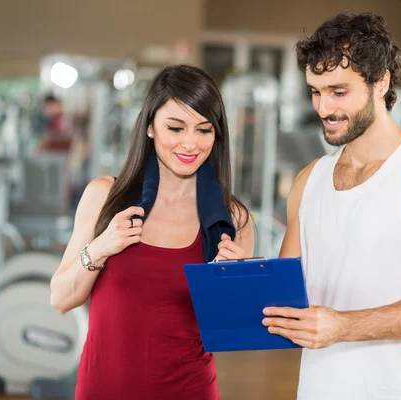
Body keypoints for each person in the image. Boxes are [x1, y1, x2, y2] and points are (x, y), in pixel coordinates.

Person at [229, 12, 401, 399]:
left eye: (338, 91)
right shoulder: (308, 180)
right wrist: (238, 273)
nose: (323, 107)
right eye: (315, 91)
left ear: (380, 82)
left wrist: (343, 327)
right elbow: (290, 301)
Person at [49, 64, 254, 400]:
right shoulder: (104, 197)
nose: (190, 143)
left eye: (204, 130)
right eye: (175, 127)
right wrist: (100, 247)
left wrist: (232, 286)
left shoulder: (232, 219)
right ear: (149, 127)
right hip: (103, 390)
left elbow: (230, 334)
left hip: (189, 390)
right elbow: (60, 299)